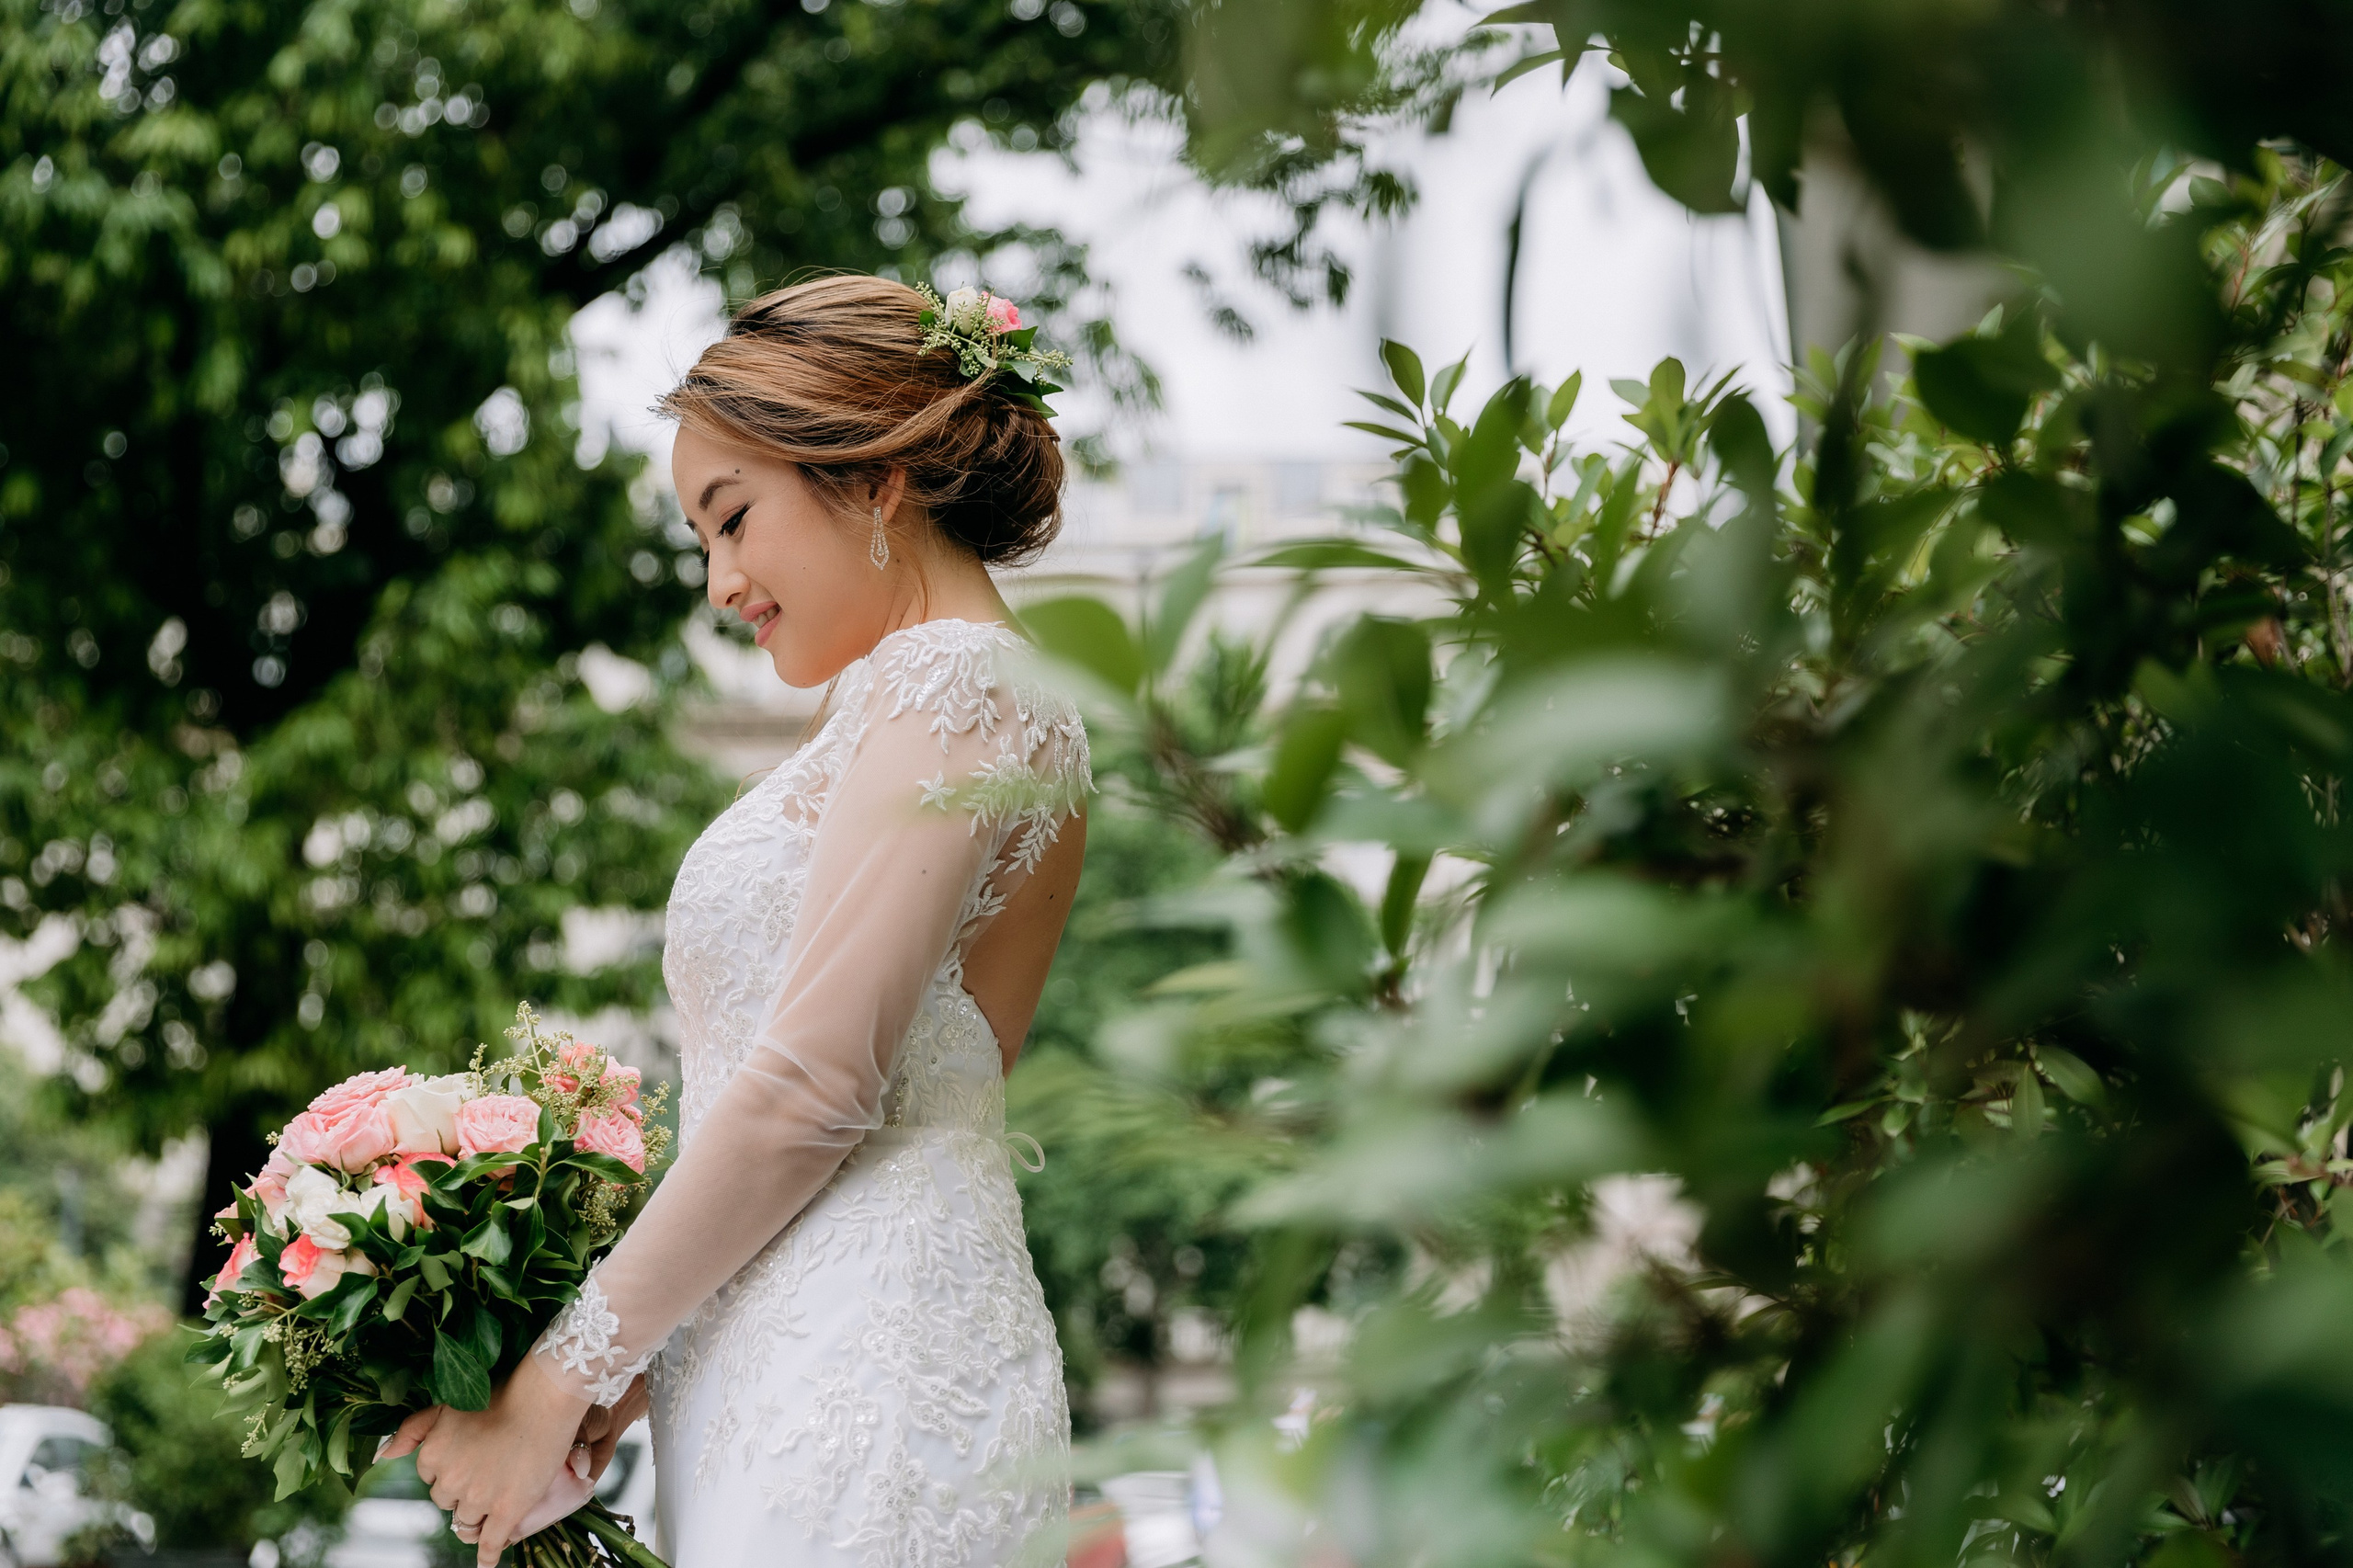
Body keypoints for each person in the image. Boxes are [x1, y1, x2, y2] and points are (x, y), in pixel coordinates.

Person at [382, 274, 1090, 1568]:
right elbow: (930, 1082)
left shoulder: (958, 681)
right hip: (808, 1363)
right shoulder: (930, 699)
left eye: (733, 519)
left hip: (869, 1379)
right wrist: (630, 1369)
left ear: (875, 477)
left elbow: (820, 1086)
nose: (720, 581)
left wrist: (554, 1379)